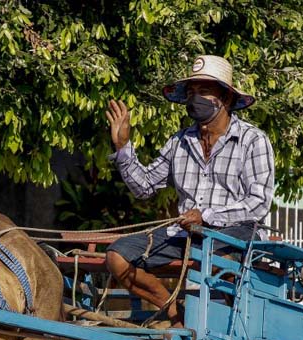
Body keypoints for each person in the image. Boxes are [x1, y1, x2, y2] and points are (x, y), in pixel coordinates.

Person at [105, 54, 275, 326]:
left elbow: (258, 203)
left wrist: (206, 216)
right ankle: (174, 312)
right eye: (192, 92)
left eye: (205, 91)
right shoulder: (179, 142)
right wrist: (123, 147)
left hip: (237, 233)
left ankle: (221, 323)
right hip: (186, 234)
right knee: (117, 256)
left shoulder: (253, 140)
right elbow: (144, 187)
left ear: (227, 99)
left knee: (217, 257)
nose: (196, 98)